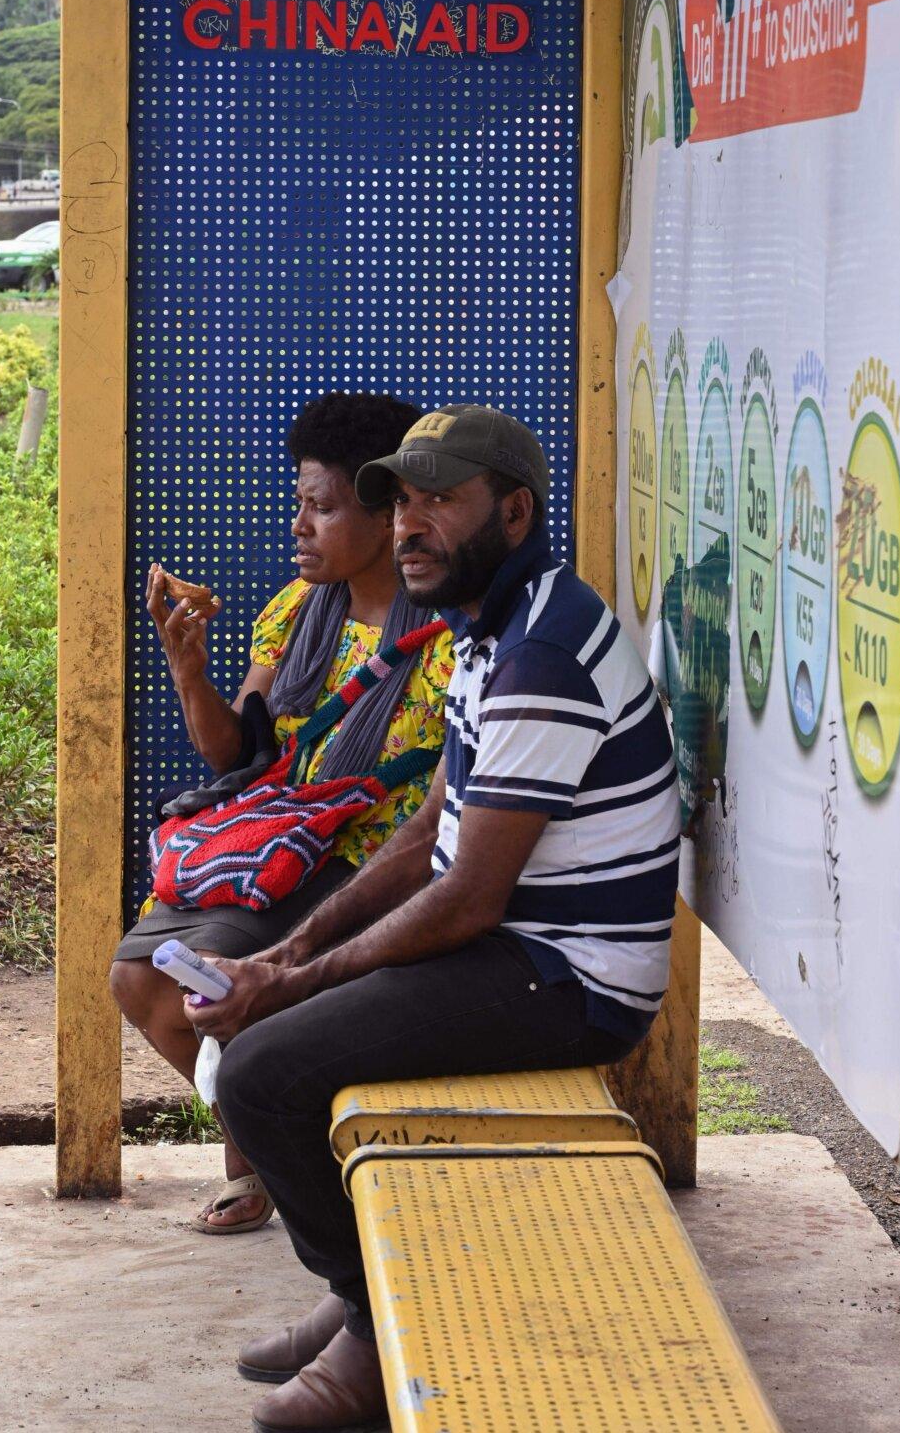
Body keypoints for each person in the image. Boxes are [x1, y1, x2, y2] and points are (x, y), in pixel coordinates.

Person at [185, 404, 682, 1433]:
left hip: (570, 981)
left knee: (264, 1070)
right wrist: (292, 949)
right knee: (272, 1042)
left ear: (514, 511)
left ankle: (370, 1326)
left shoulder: (543, 651)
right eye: (400, 502)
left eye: (438, 502)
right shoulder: (491, 626)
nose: (410, 525)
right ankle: (364, 1300)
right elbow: (428, 832)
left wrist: (289, 983)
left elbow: (465, 896)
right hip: (516, 950)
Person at [109, 392, 455, 1233]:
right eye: (298, 503)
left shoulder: (447, 638)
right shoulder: (297, 613)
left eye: (322, 507)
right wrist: (189, 671)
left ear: (388, 516)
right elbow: (240, 758)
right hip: (274, 845)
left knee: (208, 983)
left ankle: (278, 1157)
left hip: (368, 865)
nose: (299, 525)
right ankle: (262, 1147)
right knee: (137, 978)